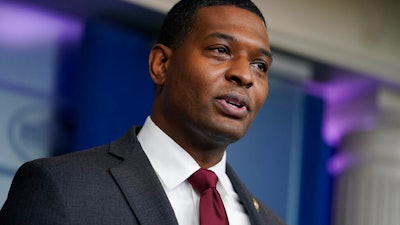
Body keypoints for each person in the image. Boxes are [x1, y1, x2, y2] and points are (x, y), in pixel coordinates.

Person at [0, 0, 286, 224]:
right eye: (221, 50)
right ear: (161, 64)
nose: (244, 75)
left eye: (260, 65)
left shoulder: (271, 222)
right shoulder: (61, 188)